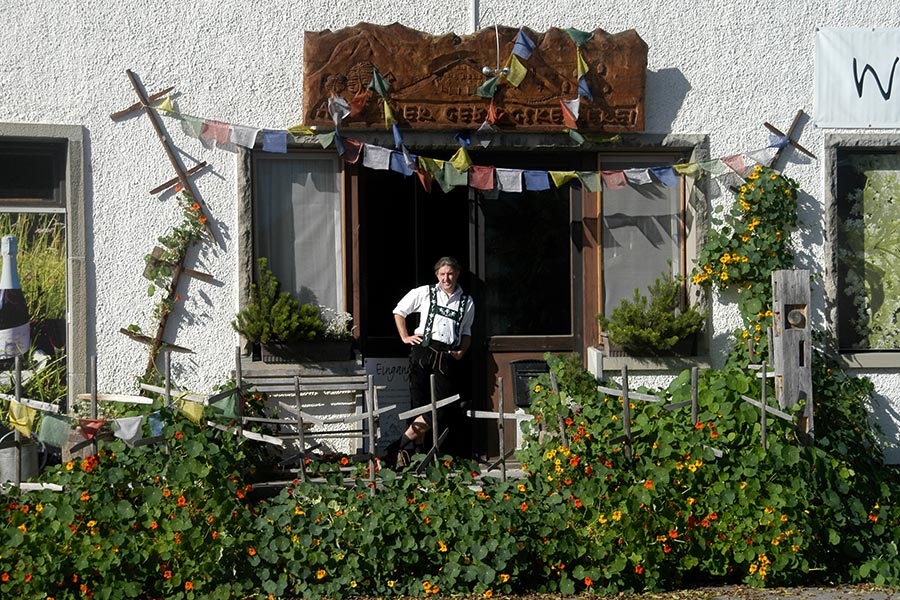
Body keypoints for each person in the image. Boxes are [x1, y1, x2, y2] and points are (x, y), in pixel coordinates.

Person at [386, 256, 474, 467]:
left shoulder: (467, 301)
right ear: (437, 275)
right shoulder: (424, 292)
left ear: (457, 274)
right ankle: (418, 457)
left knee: (442, 408)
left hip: (446, 357)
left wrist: (462, 350)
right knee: (420, 406)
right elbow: (399, 311)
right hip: (423, 353)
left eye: (450, 273)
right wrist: (405, 337)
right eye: (442, 274)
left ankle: (395, 447)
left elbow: (467, 332)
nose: (446, 278)